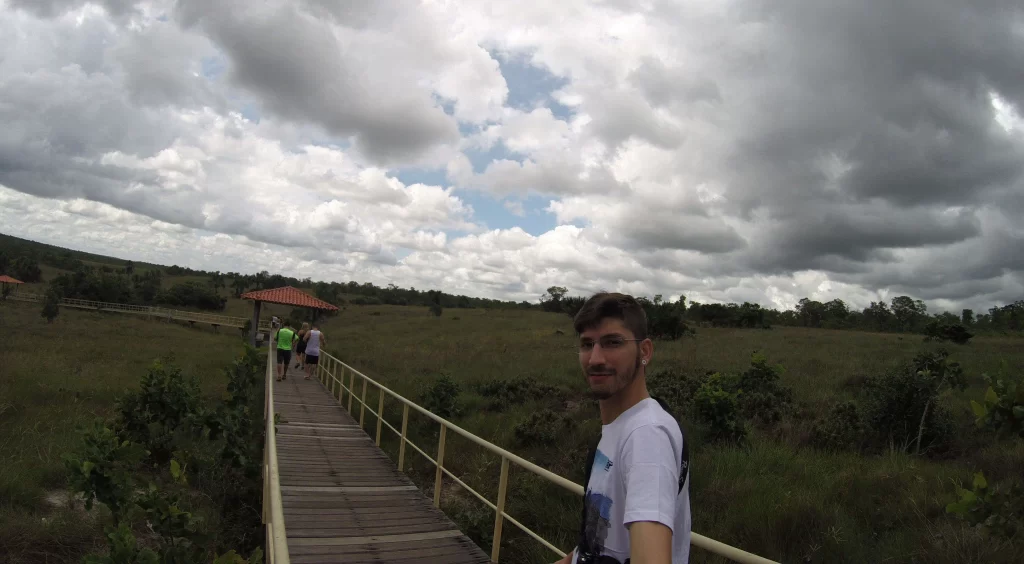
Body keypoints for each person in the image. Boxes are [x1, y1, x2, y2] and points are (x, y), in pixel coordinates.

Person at [556, 293, 691, 564]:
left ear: (645, 352)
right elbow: (595, 545)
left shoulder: (647, 435)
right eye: (586, 344)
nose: (595, 359)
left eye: (612, 343)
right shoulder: (621, 427)